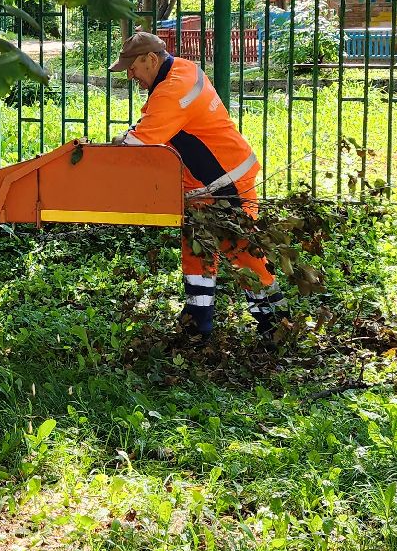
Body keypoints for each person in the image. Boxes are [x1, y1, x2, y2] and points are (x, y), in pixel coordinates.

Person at [109, 32, 287, 345]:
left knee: (241, 252)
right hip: (204, 184)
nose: (130, 74)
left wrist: (120, 142)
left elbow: (140, 143)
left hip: (226, 182)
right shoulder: (183, 70)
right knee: (196, 251)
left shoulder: (172, 91)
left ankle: (277, 325)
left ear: (151, 59)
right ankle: (198, 322)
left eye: (133, 67)